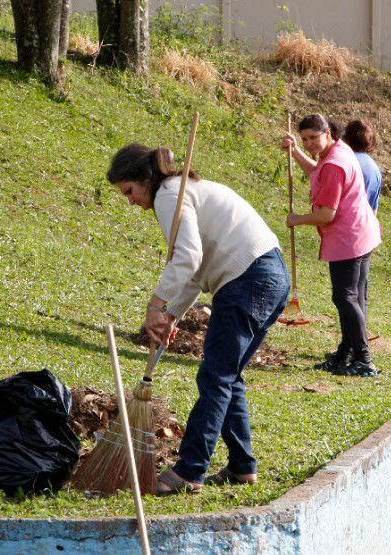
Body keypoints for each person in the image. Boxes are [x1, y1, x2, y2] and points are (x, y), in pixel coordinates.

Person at [107, 143, 290, 496]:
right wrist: (172, 315)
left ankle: (189, 471)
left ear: (144, 178)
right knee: (228, 376)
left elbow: (188, 257)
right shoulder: (184, 189)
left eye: (129, 191)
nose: (130, 201)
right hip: (270, 275)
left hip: (247, 279)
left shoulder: (168, 194)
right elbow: (195, 271)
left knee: (215, 376)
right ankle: (242, 467)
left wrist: (155, 305)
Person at [281, 114, 382, 377]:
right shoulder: (338, 150)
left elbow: (327, 214)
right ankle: (346, 354)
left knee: (345, 297)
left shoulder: (335, 163)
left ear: (327, 133)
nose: (309, 144)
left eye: (313, 138)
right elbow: (317, 173)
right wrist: (295, 152)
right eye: (304, 139)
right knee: (354, 298)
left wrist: (297, 219)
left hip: (349, 239)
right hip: (362, 233)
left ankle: (364, 359)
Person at [343, 119, 382, 215]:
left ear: (346, 138)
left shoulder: (347, 161)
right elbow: (373, 211)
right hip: (364, 222)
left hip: (345, 220)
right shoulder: (375, 168)